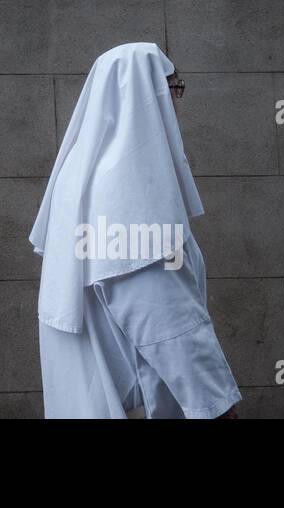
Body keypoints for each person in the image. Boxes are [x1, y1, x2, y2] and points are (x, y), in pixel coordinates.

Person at [29, 43, 240, 418]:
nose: (179, 101)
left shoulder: (81, 178)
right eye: (175, 88)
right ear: (149, 92)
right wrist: (219, 409)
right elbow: (171, 331)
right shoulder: (126, 192)